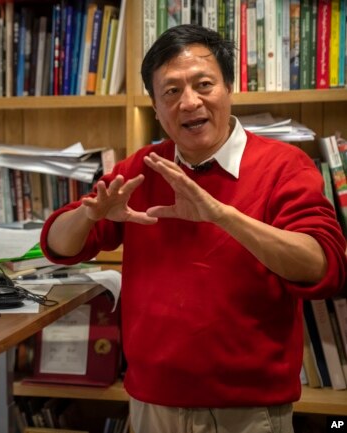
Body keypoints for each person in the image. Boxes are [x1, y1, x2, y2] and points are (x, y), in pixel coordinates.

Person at [40, 24, 347, 433]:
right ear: (156, 108)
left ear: (229, 89)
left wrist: (222, 215)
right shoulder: (144, 168)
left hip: (249, 410)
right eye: (171, 91)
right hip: (151, 401)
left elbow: (324, 267)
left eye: (203, 84)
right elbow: (57, 246)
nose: (189, 102)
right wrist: (89, 215)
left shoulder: (284, 166)